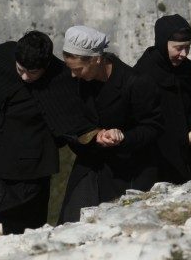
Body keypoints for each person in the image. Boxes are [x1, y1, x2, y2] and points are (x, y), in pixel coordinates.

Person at [0, 32, 98, 234]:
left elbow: (72, 121)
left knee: (22, 228)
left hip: (30, 170)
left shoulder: (61, 79)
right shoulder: (0, 58)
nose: (24, 77)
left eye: (32, 73)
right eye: (20, 70)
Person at [59, 25, 164, 224]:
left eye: (78, 69)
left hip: (128, 171)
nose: (74, 75)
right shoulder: (77, 82)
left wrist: (123, 137)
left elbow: (153, 127)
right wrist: (95, 136)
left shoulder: (135, 83)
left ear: (96, 59)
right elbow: (70, 121)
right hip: (90, 168)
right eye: (71, 69)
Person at [134, 14, 191, 184]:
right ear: (162, 43)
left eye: (187, 48)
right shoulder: (143, 74)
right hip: (159, 163)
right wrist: (183, 139)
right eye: (178, 48)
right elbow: (144, 126)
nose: (184, 54)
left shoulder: (187, 68)